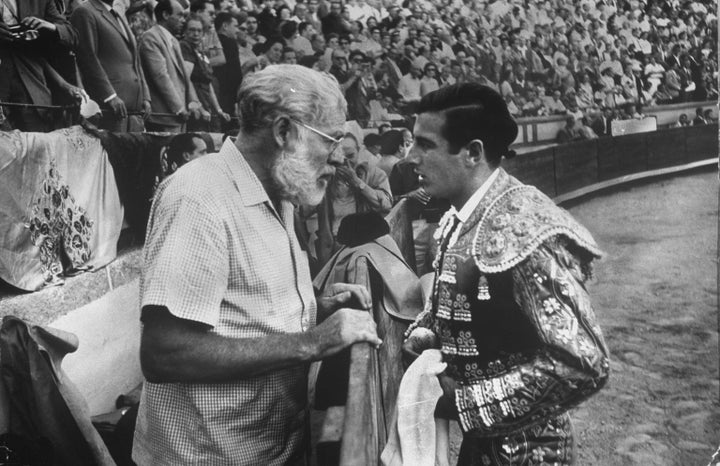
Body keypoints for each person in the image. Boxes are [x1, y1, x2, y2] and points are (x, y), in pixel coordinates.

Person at [133, 65, 381, 465]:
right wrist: (312, 342)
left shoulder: (281, 189)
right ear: (284, 132)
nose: (338, 158)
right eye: (331, 140)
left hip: (272, 448)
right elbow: (164, 353)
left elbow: (247, 310)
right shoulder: (199, 197)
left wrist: (317, 305)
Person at [402, 82, 609, 465]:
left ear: (473, 153)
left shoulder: (526, 228)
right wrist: (425, 333)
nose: (410, 157)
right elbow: (457, 305)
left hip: (532, 452)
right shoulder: (455, 220)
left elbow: (582, 362)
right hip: (482, 444)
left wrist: (463, 401)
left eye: (425, 145)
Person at [312, 132, 393, 265]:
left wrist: (357, 182)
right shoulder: (326, 178)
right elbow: (301, 212)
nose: (345, 162)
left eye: (350, 156)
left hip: (366, 249)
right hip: (334, 250)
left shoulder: (373, 174)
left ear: (359, 151)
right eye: (340, 157)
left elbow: (386, 205)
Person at [71, 0, 152, 132]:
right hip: (109, 107)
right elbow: (87, 58)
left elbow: (134, 60)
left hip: (134, 110)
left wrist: (145, 96)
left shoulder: (116, 13)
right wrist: (109, 96)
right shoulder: (85, 11)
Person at [139, 0, 203, 132]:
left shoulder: (174, 40)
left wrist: (194, 103)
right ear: (166, 15)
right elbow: (160, 76)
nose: (183, 20)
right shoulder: (151, 37)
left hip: (178, 115)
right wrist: (179, 107)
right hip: (164, 115)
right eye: (179, 15)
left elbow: (185, 77)